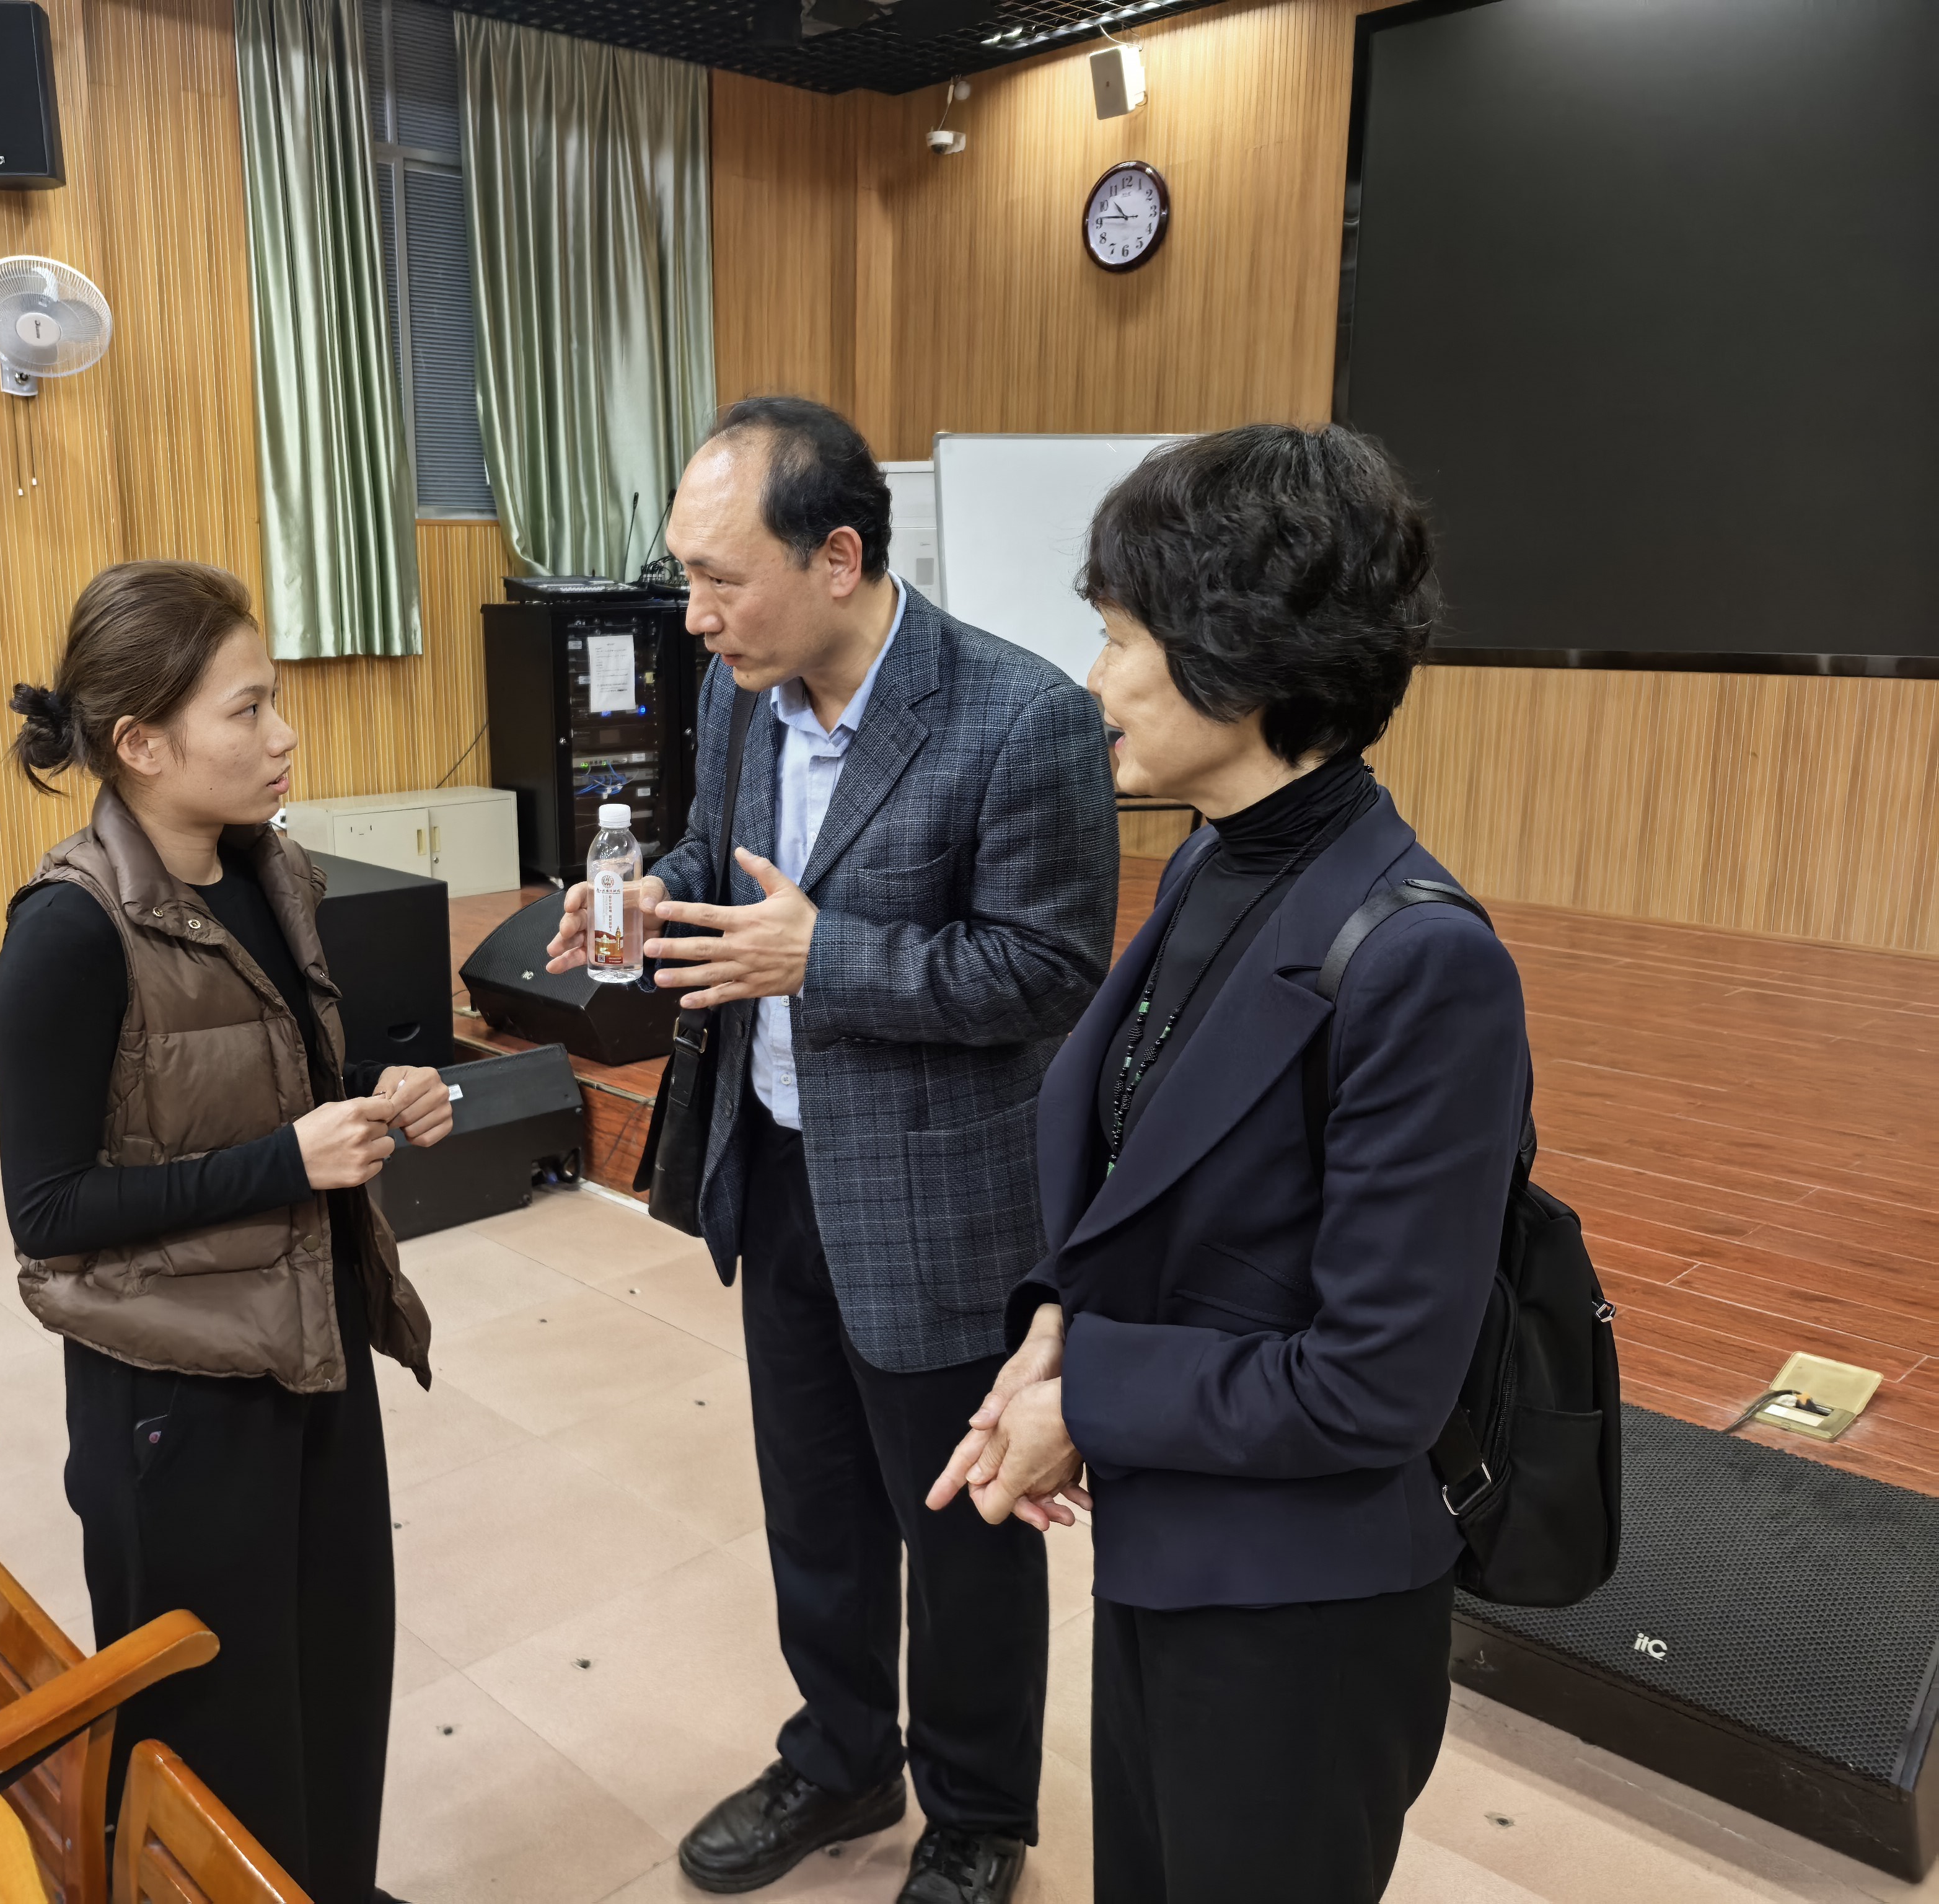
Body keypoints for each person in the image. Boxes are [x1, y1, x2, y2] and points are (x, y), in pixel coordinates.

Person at [928, 425, 1532, 1904]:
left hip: (1301, 1612)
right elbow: (1141, 1159)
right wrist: (1054, 1328)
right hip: (1170, 1547)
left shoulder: (1422, 962)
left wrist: (1086, 1404)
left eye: (1118, 638)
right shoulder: (1215, 850)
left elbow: (1370, 1386)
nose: (1091, 681)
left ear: (1240, 659)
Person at [547, 397, 1117, 1904]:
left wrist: (826, 960)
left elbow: (1048, 972)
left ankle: (978, 1814)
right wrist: (642, 898)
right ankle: (843, 1753)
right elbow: (711, 854)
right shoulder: (743, 688)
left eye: (719, 578)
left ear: (839, 558)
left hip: (939, 1200)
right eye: (685, 573)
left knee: (959, 1526)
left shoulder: (1019, 718)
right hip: (775, 1160)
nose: (692, 614)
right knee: (811, 1502)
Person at [0, 560, 451, 1904]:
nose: (282, 734)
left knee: (336, 1663)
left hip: (312, 1333)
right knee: (216, 1725)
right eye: (246, 711)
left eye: (274, 701)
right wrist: (284, 1163)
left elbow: (265, 1089)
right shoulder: (67, 933)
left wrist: (375, 1099)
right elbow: (48, 1215)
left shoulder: (274, 870)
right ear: (141, 744)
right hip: (176, 1384)